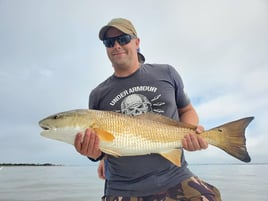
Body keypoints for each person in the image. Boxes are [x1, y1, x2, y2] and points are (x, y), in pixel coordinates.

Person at [74, 18, 222, 201]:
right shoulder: (98, 94)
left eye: (123, 38)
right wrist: (95, 155)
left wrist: (190, 133)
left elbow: (187, 110)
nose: (117, 45)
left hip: (175, 177)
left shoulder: (166, 73)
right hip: (123, 187)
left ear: (137, 42)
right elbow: (102, 145)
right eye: (109, 42)